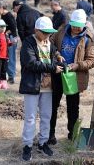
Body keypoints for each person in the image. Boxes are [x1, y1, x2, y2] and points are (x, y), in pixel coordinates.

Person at [47, 9, 94, 144]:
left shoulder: (88, 39)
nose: (75, 27)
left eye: (78, 25)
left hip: (74, 77)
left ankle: (73, 135)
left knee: (73, 107)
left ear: (84, 25)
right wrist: (57, 55)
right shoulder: (61, 31)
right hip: (57, 72)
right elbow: (50, 44)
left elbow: (92, 60)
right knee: (53, 105)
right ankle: (50, 134)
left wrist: (77, 65)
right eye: (73, 24)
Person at [19, 16, 63, 161]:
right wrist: (52, 67)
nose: (47, 35)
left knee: (46, 116)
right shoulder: (28, 43)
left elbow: (54, 50)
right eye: (44, 32)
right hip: (32, 85)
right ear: (36, 30)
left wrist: (57, 55)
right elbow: (31, 63)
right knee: (30, 118)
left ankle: (43, 143)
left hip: (48, 86)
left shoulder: (49, 42)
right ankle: (27, 145)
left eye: (49, 33)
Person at [0, 1, 18, 84]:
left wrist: (5, 34)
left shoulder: (9, 15)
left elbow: (14, 28)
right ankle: (4, 77)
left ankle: (11, 77)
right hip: (5, 38)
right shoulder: (3, 15)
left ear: (1, 7)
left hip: (10, 39)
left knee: (10, 57)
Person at [0, 19, 11, 89]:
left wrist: (13, 42)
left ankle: (3, 82)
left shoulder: (6, 35)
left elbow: (9, 43)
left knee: (4, 69)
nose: (4, 28)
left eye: (4, 27)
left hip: (5, 56)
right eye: (2, 27)